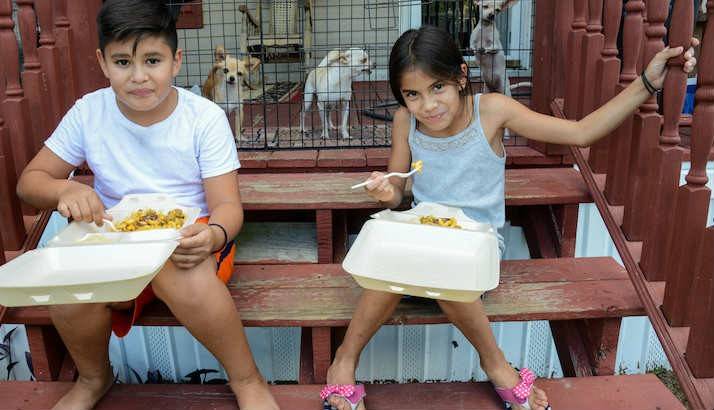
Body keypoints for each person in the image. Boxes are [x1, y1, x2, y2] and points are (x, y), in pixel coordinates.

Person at [321, 25, 698, 410]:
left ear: (461, 76)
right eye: (412, 94)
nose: (428, 105)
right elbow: (399, 187)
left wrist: (647, 83)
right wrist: (389, 191)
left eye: (438, 87)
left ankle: (495, 363)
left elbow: (582, 132)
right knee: (393, 263)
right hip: (425, 237)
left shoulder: (492, 110)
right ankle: (343, 362)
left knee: (439, 270)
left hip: (476, 248)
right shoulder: (405, 121)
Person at [16, 1, 278, 409]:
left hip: (187, 236)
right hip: (114, 237)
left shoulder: (203, 118)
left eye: (152, 60)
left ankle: (247, 379)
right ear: (103, 63)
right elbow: (29, 182)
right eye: (123, 62)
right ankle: (93, 378)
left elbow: (228, 206)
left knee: (179, 273)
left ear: (176, 62)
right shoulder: (89, 112)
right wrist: (63, 192)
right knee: (66, 290)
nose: (138, 77)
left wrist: (213, 235)